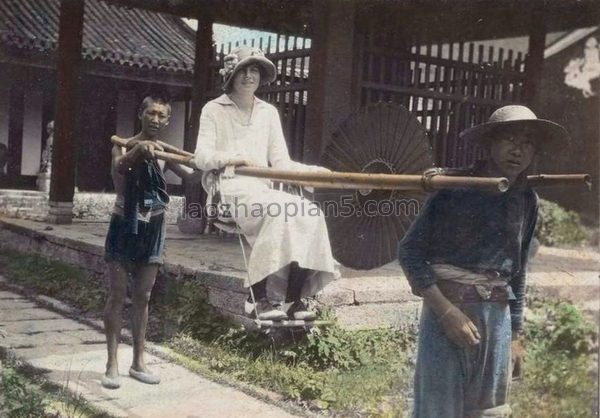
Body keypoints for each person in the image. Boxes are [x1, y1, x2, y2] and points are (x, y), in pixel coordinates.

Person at [398, 105, 568, 417]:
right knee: (439, 408)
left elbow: (518, 272)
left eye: (528, 143)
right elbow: (409, 253)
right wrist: (447, 313)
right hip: (447, 311)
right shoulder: (455, 187)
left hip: (497, 317)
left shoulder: (527, 199)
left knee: (491, 410)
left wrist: (515, 337)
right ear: (490, 143)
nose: (518, 150)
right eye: (509, 139)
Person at [193, 46, 339, 321]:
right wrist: (232, 158)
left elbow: (281, 162)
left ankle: (294, 299)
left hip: (262, 188)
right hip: (231, 187)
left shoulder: (268, 112)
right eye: (243, 71)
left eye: (255, 71)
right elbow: (201, 156)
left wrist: (311, 171)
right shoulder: (213, 109)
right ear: (231, 75)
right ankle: (256, 298)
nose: (249, 77)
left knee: (311, 213)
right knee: (278, 212)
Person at [102, 95, 201, 389]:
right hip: (124, 223)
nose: (156, 119)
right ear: (141, 114)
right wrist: (138, 151)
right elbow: (119, 170)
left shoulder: (163, 153)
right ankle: (111, 364)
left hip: (154, 227)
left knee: (144, 297)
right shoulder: (122, 145)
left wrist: (214, 163)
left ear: (167, 121)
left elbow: (193, 176)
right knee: (118, 294)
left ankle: (138, 362)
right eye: (151, 113)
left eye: (162, 116)